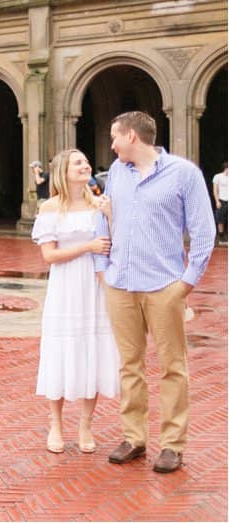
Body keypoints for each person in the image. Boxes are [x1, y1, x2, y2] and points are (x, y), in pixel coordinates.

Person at [93, 111, 216, 473]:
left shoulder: (184, 174)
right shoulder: (117, 172)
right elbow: (105, 215)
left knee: (172, 367)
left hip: (164, 286)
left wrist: (186, 284)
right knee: (130, 365)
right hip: (120, 284)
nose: (112, 144)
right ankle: (134, 437)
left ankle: (173, 445)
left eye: (115, 136)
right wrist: (103, 270)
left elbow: (204, 232)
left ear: (132, 136)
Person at [31, 149, 119, 454]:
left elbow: (116, 243)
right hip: (66, 285)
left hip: (94, 286)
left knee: (91, 349)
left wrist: (111, 217)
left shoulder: (100, 204)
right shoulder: (51, 208)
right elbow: (49, 256)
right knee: (60, 349)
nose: (85, 166)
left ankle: (85, 424)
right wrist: (87, 246)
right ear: (63, 172)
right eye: (77, 163)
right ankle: (56, 423)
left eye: (85, 162)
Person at [213, 161, 228, 244]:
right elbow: (215, 190)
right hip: (221, 201)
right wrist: (217, 201)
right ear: (226, 168)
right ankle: (221, 239)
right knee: (221, 220)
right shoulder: (218, 176)